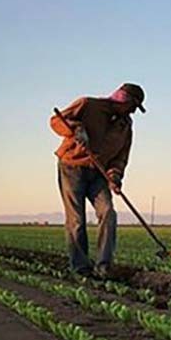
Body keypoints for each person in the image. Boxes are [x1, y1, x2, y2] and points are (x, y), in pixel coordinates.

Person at [49, 83, 146, 277]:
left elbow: (121, 156)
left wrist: (115, 176)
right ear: (122, 99)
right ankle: (81, 268)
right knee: (76, 220)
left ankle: (103, 266)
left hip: (99, 174)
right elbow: (56, 121)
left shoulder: (125, 126)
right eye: (133, 106)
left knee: (108, 213)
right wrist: (76, 130)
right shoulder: (88, 105)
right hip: (72, 167)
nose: (133, 112)